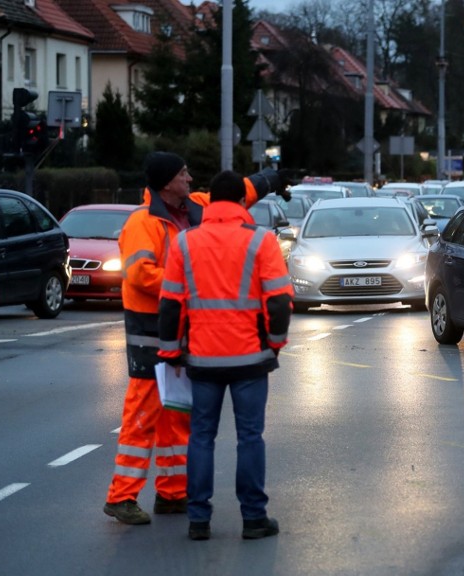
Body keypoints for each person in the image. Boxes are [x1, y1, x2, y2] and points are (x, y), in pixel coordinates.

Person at [103, 152, 287, 526]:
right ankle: (122, 496)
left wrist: (272, 177)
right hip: (150, 331)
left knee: (178, 416)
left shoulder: (193, 207)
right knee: (143, 414)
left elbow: (235, 195)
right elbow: (139, 274)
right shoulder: (144, 223)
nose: (190, 179)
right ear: (166, 182)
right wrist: (186, 283)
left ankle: (173, 493)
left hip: (183, 330)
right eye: (183, 173)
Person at [157, 170, 293, 541]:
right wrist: (275, 343)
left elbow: (170, 304)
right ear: (240, 202)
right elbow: (279, 301)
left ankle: (198, 519)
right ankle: (253, 518)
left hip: (202, 359)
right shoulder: (261, 241)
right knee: (250, 436)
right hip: (250, 357)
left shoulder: (185, 243)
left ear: (210, 201)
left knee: (201, 436)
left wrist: (171, 351)